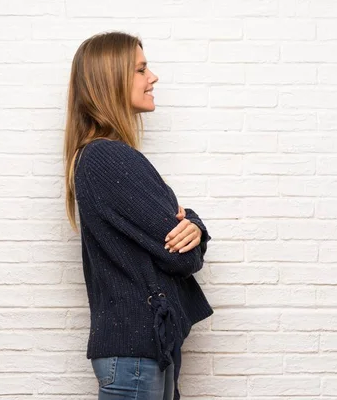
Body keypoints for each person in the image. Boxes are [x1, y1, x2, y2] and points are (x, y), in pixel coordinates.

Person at [63, 31, 214, 400]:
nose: (153, 78)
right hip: (134, 356)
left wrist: (193, 225)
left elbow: (173, 231)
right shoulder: (107, 158)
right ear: (111, 79)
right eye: (141, 69)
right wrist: (191, 231)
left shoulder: (106, 157)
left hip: (139, 354)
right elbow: (181, 258)